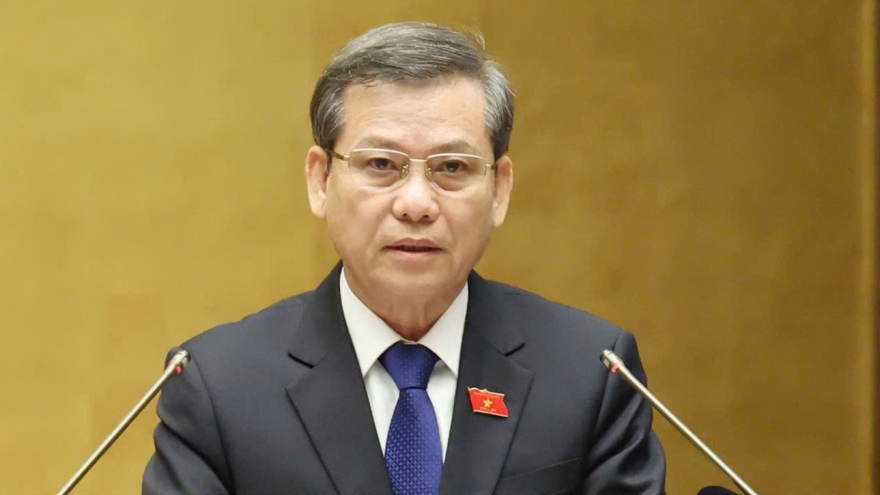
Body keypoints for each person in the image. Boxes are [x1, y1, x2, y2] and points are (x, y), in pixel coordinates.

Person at [143, 21, 666, 495]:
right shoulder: (219, 387)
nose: (416, 203)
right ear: (321, 180)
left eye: (452, 167)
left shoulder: (592, 372)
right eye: (381, 164)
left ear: (500, 189)